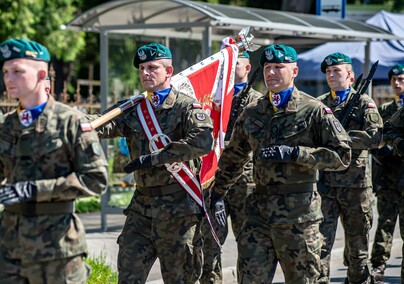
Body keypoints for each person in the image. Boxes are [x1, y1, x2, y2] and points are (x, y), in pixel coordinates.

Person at [210, 44, 351, 283]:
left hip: (299, 216)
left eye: (279, 67)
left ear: (294, 71)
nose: (271, 73)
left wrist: (297, 153)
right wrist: (217, 194)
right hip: (258, 214)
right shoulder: (253, 112)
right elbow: (234, 157)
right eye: (267, 67)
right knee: (249, 278)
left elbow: (341, 156)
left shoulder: (313, 110)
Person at [90, 43, 214, 283]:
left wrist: (158, 157)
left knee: (180, 278)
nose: (145, 73)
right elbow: (98, 125)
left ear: (169, 72)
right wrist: (66, 121)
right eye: (142, 68)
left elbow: (203, 140)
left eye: (152, 67)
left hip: (178, 209)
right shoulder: (132, 108)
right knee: (128, 276)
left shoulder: (185, 106)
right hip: (142, 209)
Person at [0, 38, 108, 283]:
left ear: (40, 74)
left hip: (57, 248)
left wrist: (35, 190)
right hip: (10, 247)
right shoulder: (6, 126)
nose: (9, 78)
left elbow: (96, 179)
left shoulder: (70, 122)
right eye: (6, 72)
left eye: (17, 71)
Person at [316, 52, 383, 284]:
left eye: (337, 71)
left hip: (355, 187)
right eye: (328, 72)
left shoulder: (365, 103)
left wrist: (342, 139)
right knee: (319, 246)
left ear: (350, 76)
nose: (332, 75)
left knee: (358, 250)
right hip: (325, 185)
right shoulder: (320, 104)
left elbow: (376, 138)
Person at [201, 51, 263, 284]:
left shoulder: (258, 101)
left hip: (244, 180)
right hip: (212, 178)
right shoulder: (214, 98)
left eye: (234, 64)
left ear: (247, 68)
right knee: (210, 238)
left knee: (247, 239)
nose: (228, 69)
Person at [370, 63, 404, 282]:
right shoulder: (384, 111)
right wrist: (385, 152)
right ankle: (378, 266)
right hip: (390, 177)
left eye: (402, 79)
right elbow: (377, 138)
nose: (398, 83)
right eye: (394, 80)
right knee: (385, 225)